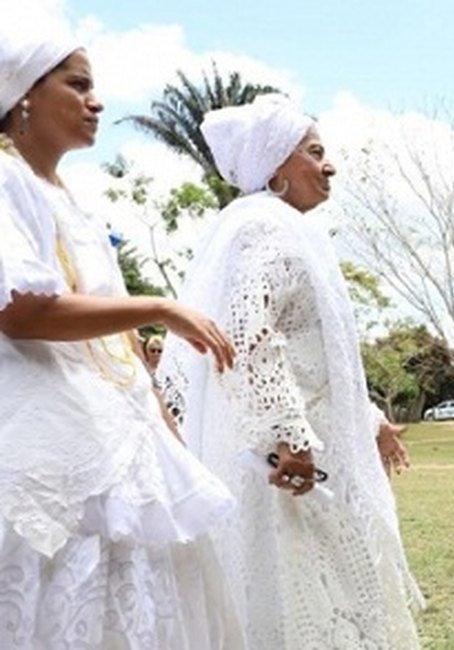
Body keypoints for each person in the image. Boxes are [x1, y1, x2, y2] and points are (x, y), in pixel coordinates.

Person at [0, 11, 243, 648]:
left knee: (142, 597)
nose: (96, 100)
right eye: (77, 85)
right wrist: (159, 306)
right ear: (23, 94)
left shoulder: (72, 199)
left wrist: (166, 431)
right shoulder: (3, 181)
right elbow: (20, 311)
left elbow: (122, 347)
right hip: (46, 434)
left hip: (118, 427)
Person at [157, 96, 423, 648]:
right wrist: (289, 438)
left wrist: (370, 419)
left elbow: (319, 353)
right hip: (289, 461)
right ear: (276, 164)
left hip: (307, 447)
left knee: (326, 587)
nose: (329, 166)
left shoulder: (282, 228)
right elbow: (250, 339)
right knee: (306, 589)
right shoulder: (267, 231)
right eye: (315, 152)